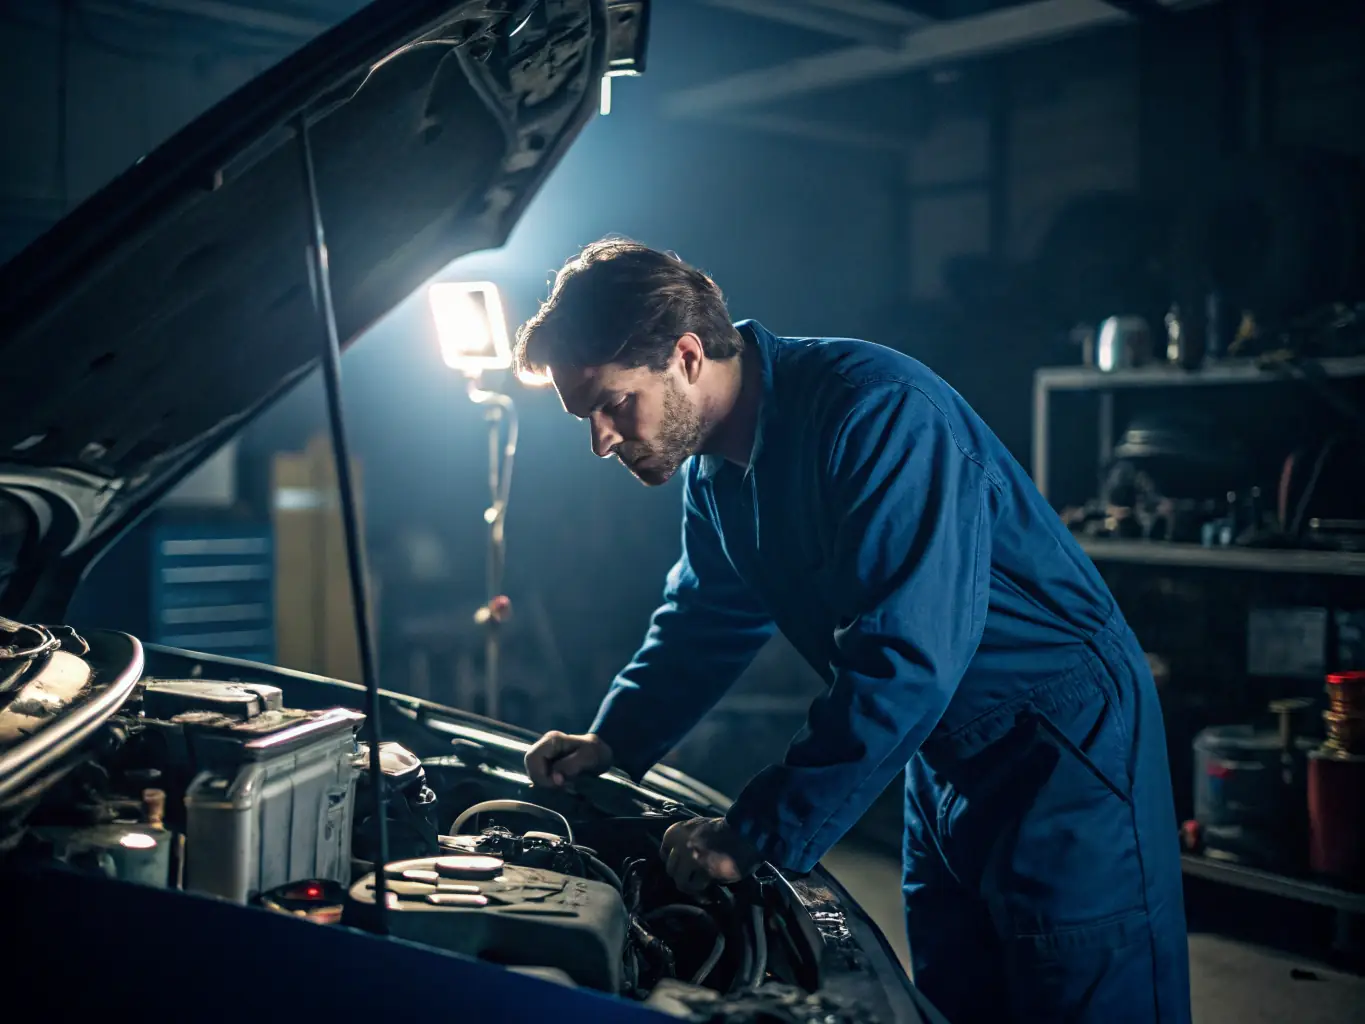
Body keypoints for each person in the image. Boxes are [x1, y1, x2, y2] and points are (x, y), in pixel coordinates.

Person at [516, 239, 1191, 1023]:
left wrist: (754, 832)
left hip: (1061, 746)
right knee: (956, 992)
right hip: (939, 750)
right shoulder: (718, 471)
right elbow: (705, 616)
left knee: (1078, 990)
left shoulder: (874, 412)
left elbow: (903, 657)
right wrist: (613, 740)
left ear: (687, 357)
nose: (600, 440)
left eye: (612, 404)